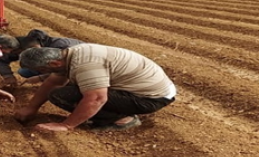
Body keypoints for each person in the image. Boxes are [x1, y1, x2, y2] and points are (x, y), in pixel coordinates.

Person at [14, 44, 177, 132]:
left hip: (151, 98)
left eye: (43, 70)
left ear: (54, 63)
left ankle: (122, 119)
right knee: (58, 91)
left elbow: (97, 98)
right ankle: (118, 112)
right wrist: (31, 107)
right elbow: (53, 82)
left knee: (64, 95)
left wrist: (66, 125)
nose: (44, 74)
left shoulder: (86, 64)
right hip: (142, 90)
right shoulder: (70, 54)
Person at [0, 30, 84, 88]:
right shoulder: (18, 47)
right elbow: (0, 61)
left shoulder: (60, 47)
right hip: (56, 67)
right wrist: (8, 76)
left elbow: (64, 68)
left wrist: (40, 78)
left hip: (78, 65)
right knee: (24, 71)